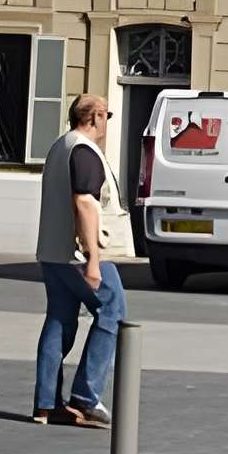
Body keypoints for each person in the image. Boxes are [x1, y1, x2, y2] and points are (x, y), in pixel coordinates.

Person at [35, 93, 135, 427]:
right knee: (112, 311)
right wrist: (93, 258)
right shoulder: (86, 152)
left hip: (52, 253)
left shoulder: (60, 146)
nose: (108, 121)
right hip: (80, 254)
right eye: (108, 114)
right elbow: (84, 203)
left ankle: (46, 404)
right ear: (95, 117)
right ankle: (86, 398)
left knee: (59, 320)